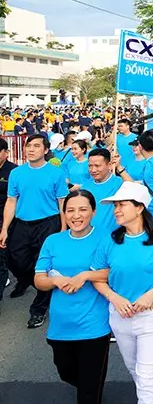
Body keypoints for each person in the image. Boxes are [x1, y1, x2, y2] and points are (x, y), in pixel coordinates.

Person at [90, 182, 153, 404]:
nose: (116, 210)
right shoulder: (110, 240)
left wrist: (152, 293)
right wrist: (115, 298)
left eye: (122, 205)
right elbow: (98, 277)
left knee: (146, 375)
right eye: (115, 206)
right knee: (135, 370)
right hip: (120, 315)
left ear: (140, 207)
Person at [33, 190, 111, 404]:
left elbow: (116, 271)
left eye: (83, 209)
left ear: (93, 212)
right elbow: (39, 279)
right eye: (71, 210)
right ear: (64, 213)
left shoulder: (106, 237)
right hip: (61, 326)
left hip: (95, 325)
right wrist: (55, 281)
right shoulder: (53, 241)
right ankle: (92, 383)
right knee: (66, 373)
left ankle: (91, 387)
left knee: (88, 392)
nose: (76, 215)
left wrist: (85, 276)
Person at [0, 133, 69, 328]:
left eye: (36, 146)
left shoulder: (56, 173)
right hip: (22, 224)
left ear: (46, 150)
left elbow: (62, 202)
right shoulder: (17, 173)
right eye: (28, 146)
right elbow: (11, 201)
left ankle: (39, 309)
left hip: (48, 223)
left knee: (44, 266)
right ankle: (44, 285)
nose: (31, 149)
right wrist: (4, 228)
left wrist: (63, 229)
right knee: (15, 260)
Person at [115, 130, 153, 227]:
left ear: (141, 146)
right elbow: (137, 185)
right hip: (150, 215)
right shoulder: (150, 162)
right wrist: (119, 168)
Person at [81, 148, 124, 234]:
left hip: (114, 236)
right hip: (91, 235)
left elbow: (137, 191)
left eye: (97, 166)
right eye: (90, 166)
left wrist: (119, 167)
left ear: (109, 165)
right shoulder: (85, 186)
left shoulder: (119, 183)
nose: (93, 170)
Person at [0, 138, 17, 311]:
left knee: (7, 257)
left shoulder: (14, 172)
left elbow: (13, 200)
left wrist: (5, 226)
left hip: (7, 219)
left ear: (6, 152)